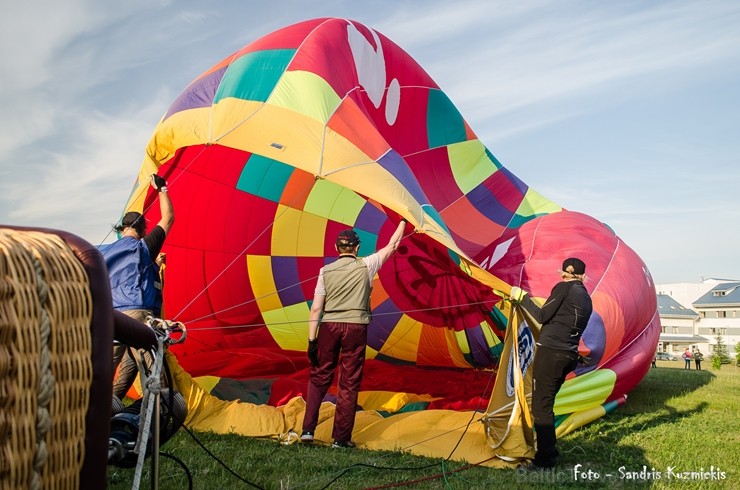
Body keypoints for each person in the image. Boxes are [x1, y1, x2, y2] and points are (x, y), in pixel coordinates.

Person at [301, 219, 407, 448]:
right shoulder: (367, 264)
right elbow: (393, 245)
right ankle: (341, 439)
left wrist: (312, 340)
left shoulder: (324, 271)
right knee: (348, 382)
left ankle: (307, 431)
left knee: (319, 376)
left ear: (336, 248)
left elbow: (316, 308)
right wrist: (403, 221)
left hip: (329, 326)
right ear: (357, 248)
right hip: (356, 327)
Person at [509, 257, 593, 469]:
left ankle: (545, 460)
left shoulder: (563, 288)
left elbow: (542, 315)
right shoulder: (585, 296)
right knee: (546, 404)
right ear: (583, 275)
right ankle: (549, 449)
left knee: (541, 407)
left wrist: (522, 297)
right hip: (569, 356)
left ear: (563, 273)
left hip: (551, 354)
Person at [102, 174, 174, 399]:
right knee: (154, 366)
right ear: (143, 229)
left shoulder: (103, 252)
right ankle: (163, 410)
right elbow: (168, 218)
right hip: (137, 315)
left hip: (111, 318)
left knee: (111, 369)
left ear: (122, 229)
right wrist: (162, 189)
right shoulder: (143, 247)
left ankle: (103, 411)